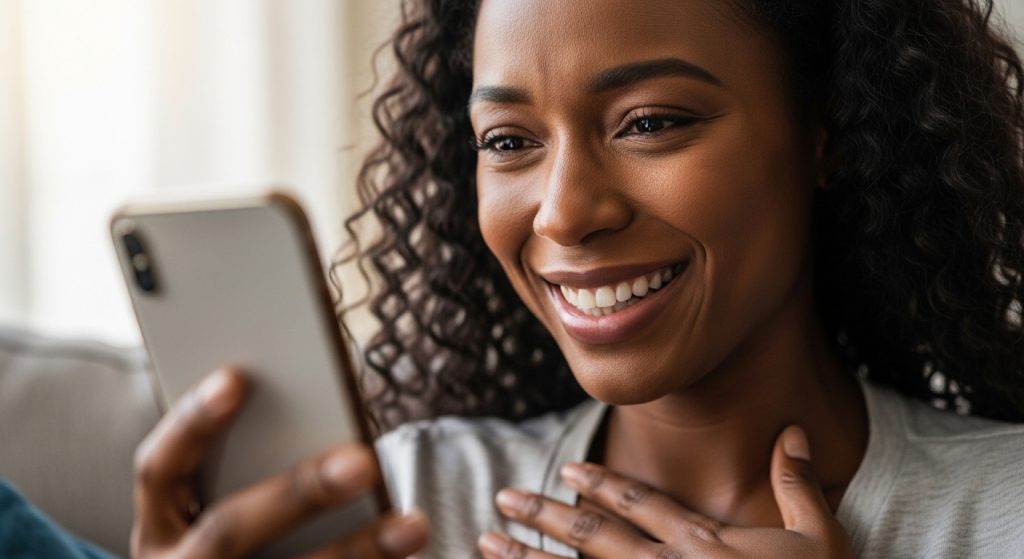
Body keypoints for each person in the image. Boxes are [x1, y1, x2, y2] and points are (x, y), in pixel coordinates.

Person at [129, 0, 1024, 558]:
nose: (563, 212)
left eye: (650, 122)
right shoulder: (401, 510)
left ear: (822, 133)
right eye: (510, 142)